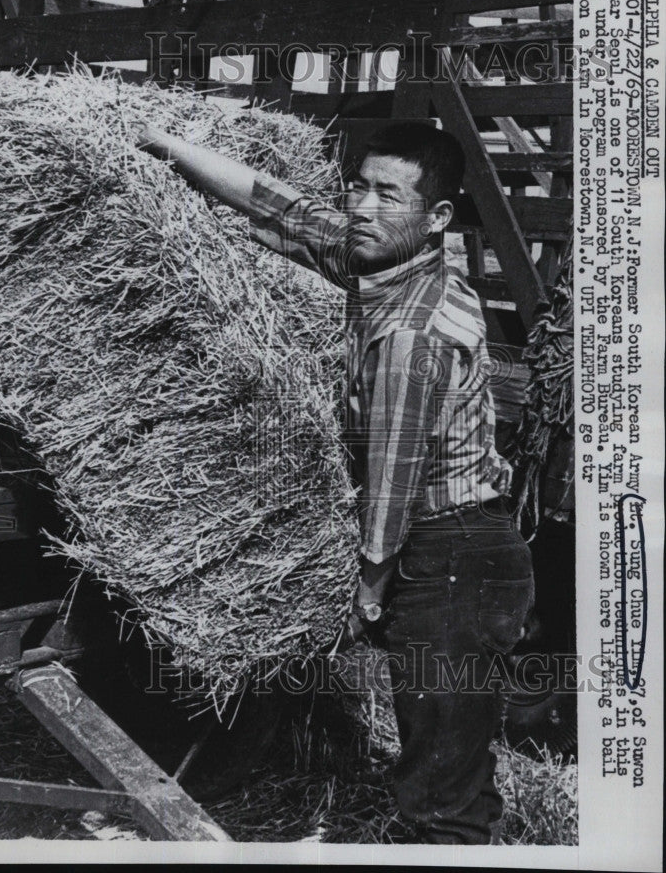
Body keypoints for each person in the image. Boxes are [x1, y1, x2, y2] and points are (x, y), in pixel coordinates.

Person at [135, 118, 535, 845]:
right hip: (450, 547)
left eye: (388, 193)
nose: (362, 206)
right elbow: (278, 206)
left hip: (453, 557)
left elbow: (392, 472)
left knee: (438, 791)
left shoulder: (412, 329)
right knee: (446, 756)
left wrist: (370, 586)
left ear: (437, 216)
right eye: (359, 186)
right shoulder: (389, 264)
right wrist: (166, 146)